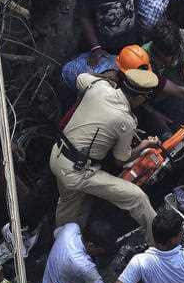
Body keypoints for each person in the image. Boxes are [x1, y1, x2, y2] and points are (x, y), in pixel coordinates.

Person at [50, 68, 161, 243]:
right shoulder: (125, 120)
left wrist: (104, 78)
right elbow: (121, 160)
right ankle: (161, 243)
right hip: (78, 171)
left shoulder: (99, 85)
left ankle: (63, 245)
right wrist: (144, 145)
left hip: (58, 156)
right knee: (137, 198)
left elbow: (80, 77)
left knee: (70, 204)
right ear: (140, 97)